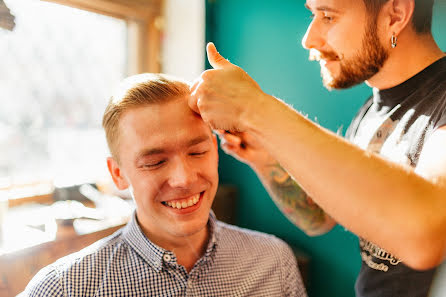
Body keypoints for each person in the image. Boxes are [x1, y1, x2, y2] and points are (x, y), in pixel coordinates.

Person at [189, 0, 446, 296]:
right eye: (314, 15)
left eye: (327, 16)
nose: (308, 39)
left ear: (395, 15)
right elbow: (321, 218)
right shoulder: (372, 111)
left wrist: (256, 109)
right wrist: (267, 161)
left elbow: (425, 235)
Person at [23, 74, 307, 297]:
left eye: (197, 152)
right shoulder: (64, 290)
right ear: (118, 174)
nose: (184, 179)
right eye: (155, 162)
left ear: (216, 150)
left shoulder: (274, 263)